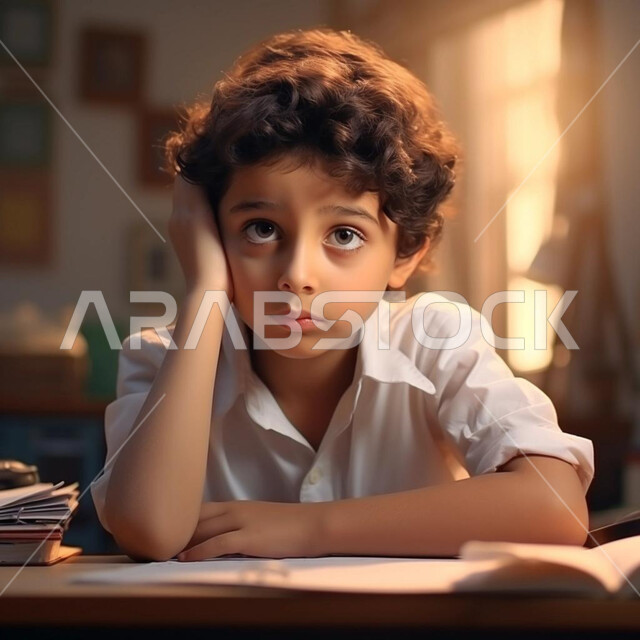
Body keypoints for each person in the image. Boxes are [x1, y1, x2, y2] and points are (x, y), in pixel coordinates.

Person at [90, 27, 594, 562]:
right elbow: (148, 530)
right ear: (212, 236)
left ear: (406, 253)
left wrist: (307, 529)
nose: (297, 275)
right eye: (260, 228)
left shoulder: (436, 341)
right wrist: (206, 289)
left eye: (344, 235)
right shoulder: (160, 359)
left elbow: (554, 505)